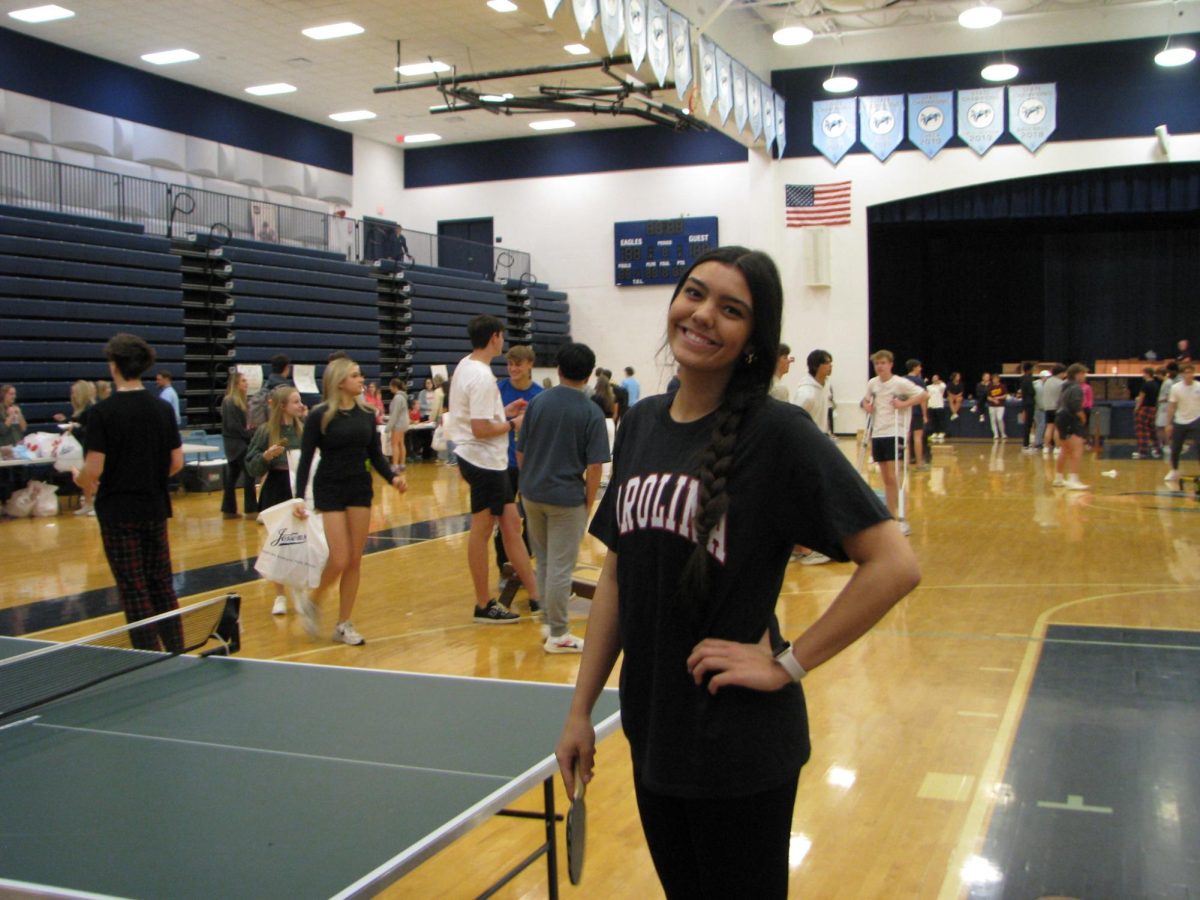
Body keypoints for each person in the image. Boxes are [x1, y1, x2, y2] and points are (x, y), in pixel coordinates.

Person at [554, 247, 920, 899]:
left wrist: (787, 664)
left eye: (731, 309)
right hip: (654, 732)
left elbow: (893, 564)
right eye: (693, 293)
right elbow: (617, 575)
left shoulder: (778, 434)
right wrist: (582, 711)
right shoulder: (639, 425)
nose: (702, 315)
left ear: (755, 337)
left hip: (739, 750)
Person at [73, 334, 184, 652]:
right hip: (154, 506)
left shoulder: (102, 413)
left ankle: (148, 654)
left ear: (114, 366)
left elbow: (93, 470)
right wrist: (146, 475)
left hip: (118, 512)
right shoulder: (162, 408)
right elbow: (176, 462)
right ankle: (177, 648)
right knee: (161, 582)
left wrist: (79, 479)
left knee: (133, 587)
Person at [293, 357, 407, 644]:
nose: (361, 380)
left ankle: (343, 623)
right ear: (340, 381)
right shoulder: (319, 415)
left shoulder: (367, 414)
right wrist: (297, 497)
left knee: (354, 559)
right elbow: (306, 459)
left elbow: (375, 455)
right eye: (355, 376)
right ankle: (314, 600)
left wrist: (392, 477)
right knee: (340, 557)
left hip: (359, 487)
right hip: (330, 488)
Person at [447, 315, 543, 624]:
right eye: (502, 337)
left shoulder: (466, 366)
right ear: (495, 338)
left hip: (489, 459)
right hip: (482, 459)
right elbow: (478, 429)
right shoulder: (482, 376)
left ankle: (537, 596)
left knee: (512, 525)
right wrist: (512, 424)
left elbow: (477, 418)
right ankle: (483, 603)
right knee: (483, 529)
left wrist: (503, 411)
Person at [516, 342, 609, 653]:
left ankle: (548, 621)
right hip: (565, 498)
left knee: (543, 561)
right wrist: (589, 501)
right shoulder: (591, 412)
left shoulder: (539, 403)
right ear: (589, 375)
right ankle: (559, 633)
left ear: (558, 369)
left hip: (532, 494)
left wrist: (530, 481)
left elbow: (521, 453)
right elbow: (595, 466)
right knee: (559, 567)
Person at [245, 385, 306, 616]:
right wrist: (265, 457)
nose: (301, 405)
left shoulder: (303, 429)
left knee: (301, 543)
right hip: (276, 488)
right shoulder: (265, 431)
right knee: (278, 544)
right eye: (295, 402)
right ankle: (280, 594)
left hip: (298, 490)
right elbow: (251, 464)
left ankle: (299, 590)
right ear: (283, 406)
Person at [494, 345, 543, 589]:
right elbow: (487, 424)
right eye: (510, 364)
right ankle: (504, 569)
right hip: (502, 465)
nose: (513, 368)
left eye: (518, 364)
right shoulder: (498, 390)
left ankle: (524, 567)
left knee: (531, 521)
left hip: (530, 465)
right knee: (503, 521)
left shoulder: (539, 395)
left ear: (529, 365)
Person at [862, 350, 925, 534]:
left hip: (894, 431)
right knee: (885, 477)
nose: (880, 366)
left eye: (883, 363)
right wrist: (866, 405)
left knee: (892, 476)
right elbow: (865, 400)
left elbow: (923, 395)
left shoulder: (900, 383)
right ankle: (889, 515)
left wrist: (904, 404)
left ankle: (896, 516)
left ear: (890, 364)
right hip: (878, 432)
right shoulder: (872, 383)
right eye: (877, 364)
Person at [791, 349, 835, 566]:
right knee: (804, 500)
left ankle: (803, 546)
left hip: (817, 446)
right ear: (817, 365)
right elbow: (795, 424)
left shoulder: (822, 386)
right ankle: (802, 549)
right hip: (803, 451)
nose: (831, 366)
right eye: (827, 363)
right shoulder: (806, 393)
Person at [53, 379, 98, 515]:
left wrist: (74, 428)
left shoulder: (90, 408)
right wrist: (66, 421)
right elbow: (78, 424)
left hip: (89, 445)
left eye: (74, 392)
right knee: (84, 476)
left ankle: (94, 503)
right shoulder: (80, 409)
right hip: (80, 446)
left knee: (91, 476)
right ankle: (88, 503)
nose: (72, 395)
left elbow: (90, 429)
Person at [220, 371, 259, 520]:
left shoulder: (240, 402)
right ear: (236, 384)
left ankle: (228, 510)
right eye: (243, 381)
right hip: (236, 444)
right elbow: (232, 425)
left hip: (237, 442)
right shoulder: (229, 401)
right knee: (249, 474)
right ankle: (250, 510)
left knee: (233, 476)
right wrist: (247, 434)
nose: (246, 383)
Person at [1052, 363, 1090, 490]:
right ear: (1078, 374)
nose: (1085, 376)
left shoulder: (1064, 386)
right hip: (1070, 419)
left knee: (1065, 449)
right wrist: (1083, 417)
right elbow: (1075, 406)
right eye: (1083, 374)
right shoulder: (1076, 388)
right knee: (1077, 448)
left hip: (1060, 418)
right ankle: (1073, 479)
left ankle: (1058, 478)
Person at [1164, 364, 1200, 485]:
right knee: (1175, 448)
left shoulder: (1198, 387)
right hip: (1180, 420)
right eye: (1186, 372)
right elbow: (1171, 406)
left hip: (1196, 419)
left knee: (1199, 446)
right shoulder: (1176, 388)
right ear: (1182, 374)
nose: (1189, 375)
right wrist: (1168, 424)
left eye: (1191, 372)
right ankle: (1174, 470)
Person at [1131, 366, 1162, 459]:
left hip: (1144, 409)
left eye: (1143, 373)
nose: (1142, 375)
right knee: (1152, 430)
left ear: (1147, 374)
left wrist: (1136, 408)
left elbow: (1141, 398)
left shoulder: (1145, 385)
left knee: (1142, 430)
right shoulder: (1156, 384)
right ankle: (1157, 449)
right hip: (1153, 409)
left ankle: (1142, 452)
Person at [904, 359, 928, 467]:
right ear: (914, 367)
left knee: (906, 438)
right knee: (917, 437)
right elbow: (923, 399)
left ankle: (907, 462)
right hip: (917, 412)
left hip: (905, 412)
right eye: (919, 367)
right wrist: (925, 415)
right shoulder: (919, 381)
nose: (920, 369)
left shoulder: (902, 380)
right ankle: (919, 463)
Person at [1041, 364, 1067, 456]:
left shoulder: (1046, 382)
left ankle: (1046, 447)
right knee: (1057, 428)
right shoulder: (1061, 383)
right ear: (1061, 373)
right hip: (1057, 408)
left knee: (1049, 427)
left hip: (1048, 408)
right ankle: (1057, 447)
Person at [385, 378, 410, 468]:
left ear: (394, 386)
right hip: (403, 423)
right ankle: (402, 464)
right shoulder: (403, 396)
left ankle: (395, 465)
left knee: (394, 444)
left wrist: (388, 428)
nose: (389, 388)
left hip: (398, 424)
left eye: (390, 386)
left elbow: (395, 414)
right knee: (401, 444)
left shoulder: (397, 398)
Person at [1156, 362, 1179, 452]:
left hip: (1165, 409)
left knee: (1161, 427)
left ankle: (1167, 445)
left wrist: (1161, 400)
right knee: (1160, 427)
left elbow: (1170, 396)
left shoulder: (1168, 383)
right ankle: (1165, 444)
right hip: (1163, 408)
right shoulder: (1166, 382)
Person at [1018, 361, 1037, 452]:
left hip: (1025, 402)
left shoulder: (1022, 378)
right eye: (1033, 368)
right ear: (1029, 369)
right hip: (1029, 403)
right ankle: (1026, 444)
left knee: (1028, 423)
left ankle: (1026, 444)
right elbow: (1032, 391)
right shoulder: (1029, 378)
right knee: (1028, 424)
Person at [926, 373, 947, 444]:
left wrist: (939, 382)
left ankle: (942, 432)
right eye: (933, 377)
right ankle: (934, 432)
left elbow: (944, 386)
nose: (934, 379)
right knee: (933, 420)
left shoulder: (941, 386)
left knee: (940, 420)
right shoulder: (929, 387)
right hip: (931, 405)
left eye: (936, 377)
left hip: (939, 405)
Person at [986, 372, 1008, 440]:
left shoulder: (1002, 386)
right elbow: (988, 397)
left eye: (996, 379)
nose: (994, 380)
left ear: (998, 379)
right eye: (993, 379)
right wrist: (993, 400)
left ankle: (1003, 433)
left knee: (999, 418)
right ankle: (995, 434)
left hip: (1000, 405)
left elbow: (1005, 395)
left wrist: (998, 398)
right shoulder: (990, 386)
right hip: (992, 406)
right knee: (993, 420)